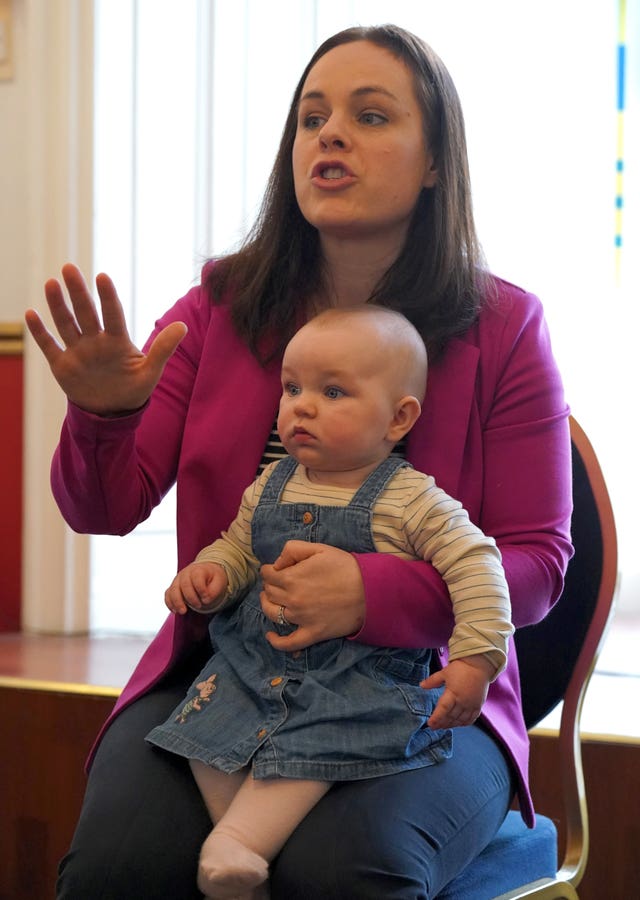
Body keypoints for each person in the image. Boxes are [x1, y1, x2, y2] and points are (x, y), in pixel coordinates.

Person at [25, 23, 573, 900]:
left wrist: (373, 595)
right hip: (230, 676)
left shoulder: (505, 326)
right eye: (312, 117)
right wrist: (103, 411)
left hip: (425, 693)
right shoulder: (216, 304)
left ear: (436, 162)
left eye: (370, 115)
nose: (330, 134)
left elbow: (538, 565)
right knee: (118, 871)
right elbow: (104, 507)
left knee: (337, 877)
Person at [145, 305, 513, 899]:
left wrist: (476, 660)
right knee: (202, 740)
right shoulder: (273, 482)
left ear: (399, 418)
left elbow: (479, 566)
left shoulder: (412, 498)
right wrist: (212, 573)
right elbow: (240, 547)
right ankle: (243, 845)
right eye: (292, 388)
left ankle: (237, 847)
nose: (301, 407)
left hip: (354, 683)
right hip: (251, 670)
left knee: (309, 755)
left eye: (332, 391)